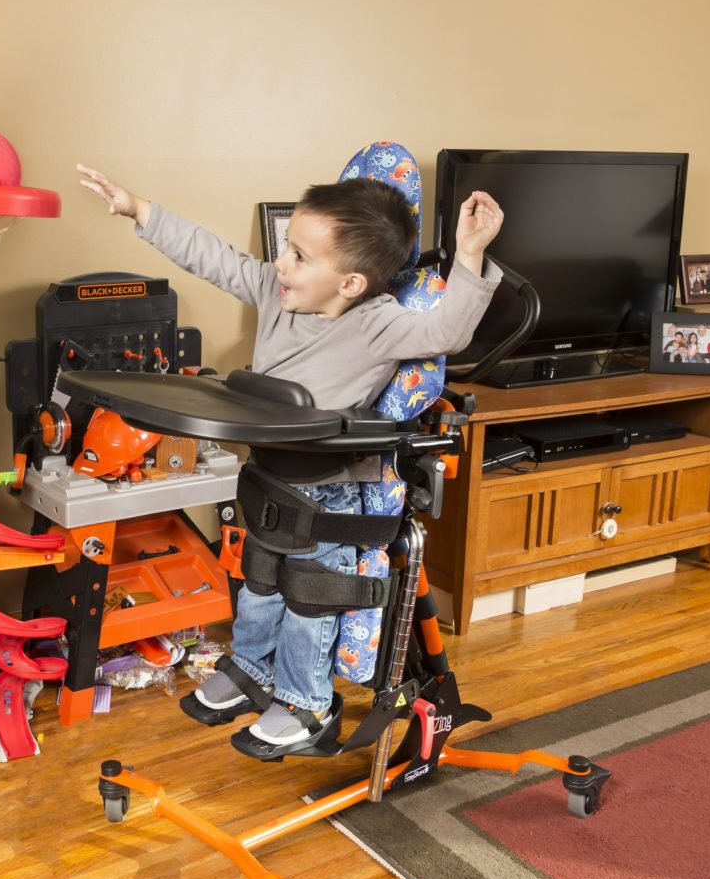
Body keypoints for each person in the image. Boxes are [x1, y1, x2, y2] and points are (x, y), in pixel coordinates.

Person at [77, 162, 503, 746]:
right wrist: (138, 209)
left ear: (350, 283)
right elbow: (212, 256)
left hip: (327, 487)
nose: (281, 264)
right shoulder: (275, 294)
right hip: (269, 476)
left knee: (308, 597)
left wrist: (470, 253)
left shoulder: (378, 325)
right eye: (286, 248)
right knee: (258, 581)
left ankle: (308, 703)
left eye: (300, 257)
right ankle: (253, 670)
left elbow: (450, 332)